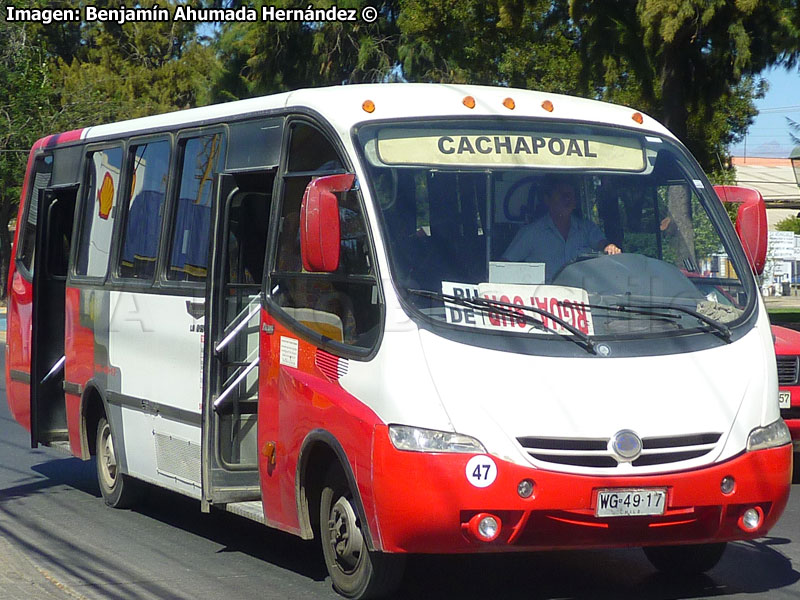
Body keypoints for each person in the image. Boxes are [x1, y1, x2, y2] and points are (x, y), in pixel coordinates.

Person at [502, 176, 621, 281]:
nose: (568, 200)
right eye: (563, 195)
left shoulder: (586, 229)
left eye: (571, 195)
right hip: (541, 303)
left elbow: (602, 244)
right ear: (547, 200)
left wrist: (609, 247)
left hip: (583, 301)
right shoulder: (531, 233)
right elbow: (504, 267)